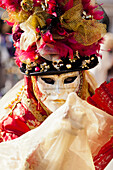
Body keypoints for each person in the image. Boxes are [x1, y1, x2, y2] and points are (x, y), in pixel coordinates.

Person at [0, 0, 112, 169]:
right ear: (32, 84)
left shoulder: (101, 116)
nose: (59, 93)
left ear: (82, 80)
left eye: (68, 80)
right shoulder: (15, 126)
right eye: (48, 81)